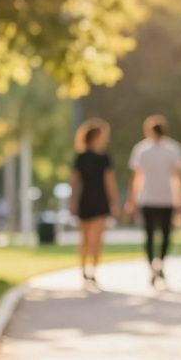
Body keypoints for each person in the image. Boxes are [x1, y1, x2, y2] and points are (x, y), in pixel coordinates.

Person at [126, 115, 181, 286]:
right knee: (164, 235)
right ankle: (159, 265)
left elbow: (136, 178)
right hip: (163, 199)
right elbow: (179, 179)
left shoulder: (144, 149)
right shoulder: (171, 149)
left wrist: (132, 200)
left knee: (150, 236)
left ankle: (154, 266)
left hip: (152, 199)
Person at [69, 119, 119, 286]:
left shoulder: (104, 158)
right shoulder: (81, 158)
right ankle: (85, 269)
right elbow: (75, 183)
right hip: (88, 200)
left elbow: (110, 183)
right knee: (86, 238)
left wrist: (114, 202)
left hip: (98, 200)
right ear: (95, 137)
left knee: (94, 239)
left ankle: (92, 270)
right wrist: (73, 202)